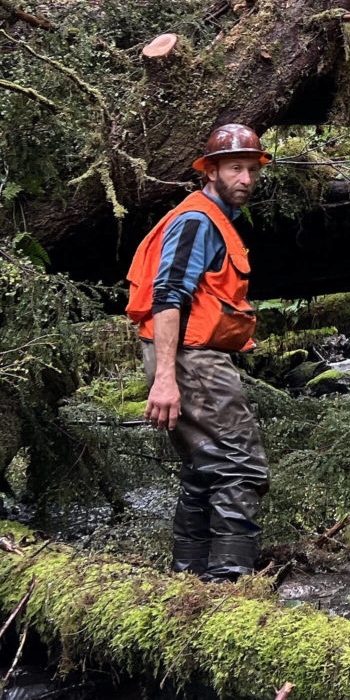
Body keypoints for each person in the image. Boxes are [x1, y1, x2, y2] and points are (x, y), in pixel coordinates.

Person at [126, 124, 271, 582]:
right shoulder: (197, 220)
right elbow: (168, 295)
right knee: (240, 465)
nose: (245, 179)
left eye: (251, 169)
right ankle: (230, 587)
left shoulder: (216, 218)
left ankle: (188, 580)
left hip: (187, 356)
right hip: (190, 359)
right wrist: (166, 377)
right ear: (210, 172)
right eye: (235, 169)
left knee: (204, 467)